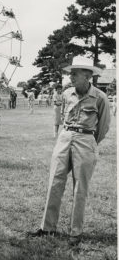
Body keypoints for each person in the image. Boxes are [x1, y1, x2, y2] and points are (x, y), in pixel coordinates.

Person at [26, 56, 110, 245]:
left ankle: (75, 232)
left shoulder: (100, 97)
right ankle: (47, 228)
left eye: (74, 73)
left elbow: (103, 127)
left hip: (86, 140)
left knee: (80, 187)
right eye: (70, 73)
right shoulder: (66, 94)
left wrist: (88, 141)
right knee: (55, 181)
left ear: (87, 75)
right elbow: (62, 116)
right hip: (65, 137)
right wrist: (64, 136)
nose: (70, 76)